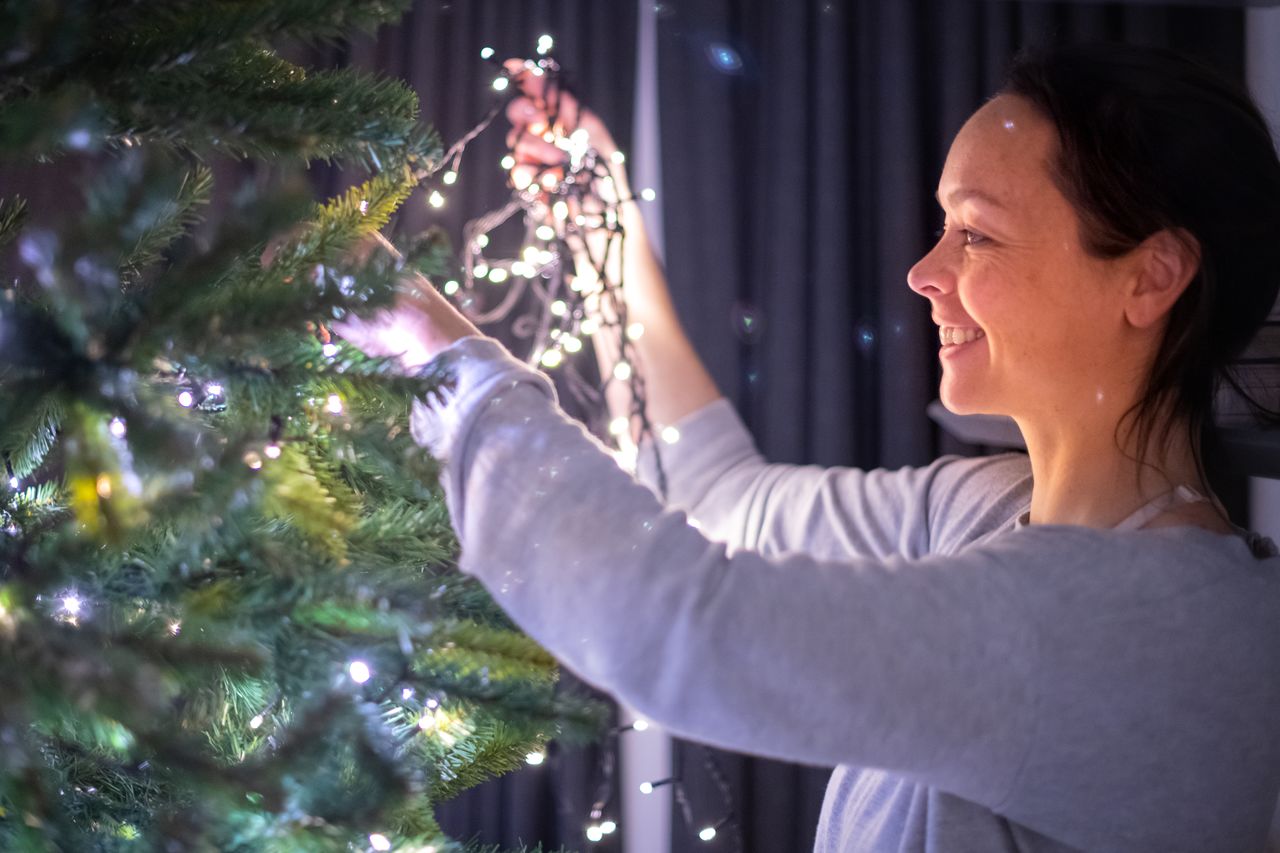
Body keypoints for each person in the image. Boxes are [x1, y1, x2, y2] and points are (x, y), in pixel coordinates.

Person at [337, 44, 1280, 852]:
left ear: (1152, 276)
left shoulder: (1142, 635)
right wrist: (607, 228)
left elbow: (679, 632)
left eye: (977, 235)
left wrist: (443, 356)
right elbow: (715, 492)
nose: (924, 272)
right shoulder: (987, 510)